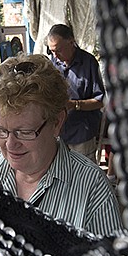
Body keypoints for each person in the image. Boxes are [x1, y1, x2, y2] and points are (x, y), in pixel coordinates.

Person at [0, 53, 125, 237]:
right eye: (0, 130)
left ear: (57, 122)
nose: (10, 144)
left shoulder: (93, 189)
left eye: (24, 132)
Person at [46, 24, 105, 162]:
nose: (55, 55)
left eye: (58, 50)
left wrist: (74, 104)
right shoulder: (53, 63)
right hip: (58, 132)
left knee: (85, 176)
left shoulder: (88, 63)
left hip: (81, 132)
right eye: (51, 51)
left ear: (71, 42)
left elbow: (100, 101)